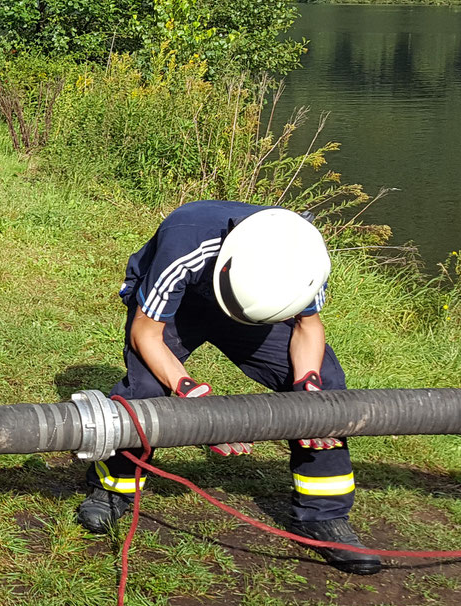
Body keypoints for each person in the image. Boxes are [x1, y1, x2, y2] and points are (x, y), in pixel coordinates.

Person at [77, 201, 381, 576]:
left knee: (327, 389)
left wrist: (310, 390)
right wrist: (192, 397)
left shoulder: (302, 255)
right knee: (146, 391)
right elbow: (146, 333)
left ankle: (324, 515)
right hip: (182, 303)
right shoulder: (186, 243)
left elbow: (307, 327)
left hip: (257, 304)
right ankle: (114, 487)